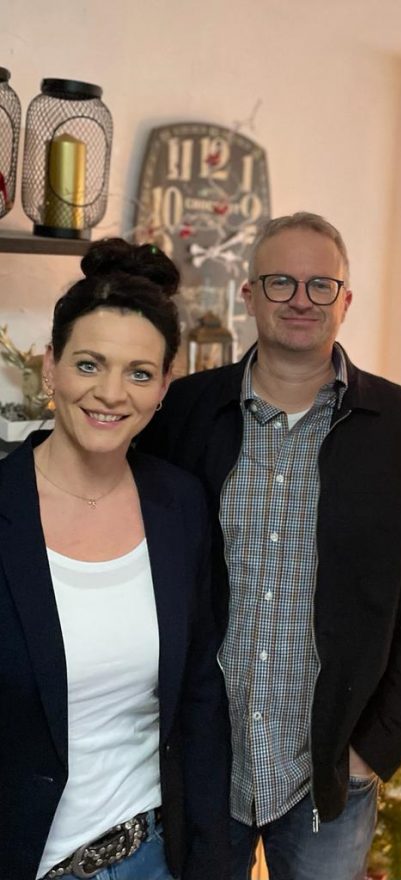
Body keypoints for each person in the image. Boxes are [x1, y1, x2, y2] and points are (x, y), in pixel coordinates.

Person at [138, 212, 401, 880]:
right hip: (204, 763)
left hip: (329, 777)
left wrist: (376, 746)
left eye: (321, 285)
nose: (300, 299)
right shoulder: (183, 413)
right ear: (249, 294)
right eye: (280, 281)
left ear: (345, 301)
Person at [0, 239, 230, 880]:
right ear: (50, 366)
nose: (110, 394)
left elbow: (201, 696)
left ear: (164, 386)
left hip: (153, 854)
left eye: (139, 373)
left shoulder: (180, 505)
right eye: (88, 364)